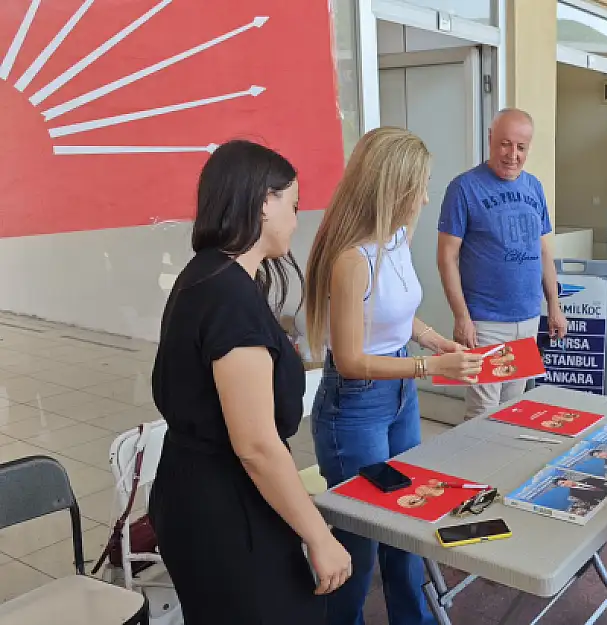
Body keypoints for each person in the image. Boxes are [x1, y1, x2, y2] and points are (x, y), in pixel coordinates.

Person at [150, 140, 351, 625]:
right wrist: (319, 537)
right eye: (293, 205)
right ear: (264, 201)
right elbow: (257, 446)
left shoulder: (204, 275)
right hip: (225, 508)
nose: (297, 220)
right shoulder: (228, 296)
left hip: (192, 492)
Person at [303, 127, 483, 625]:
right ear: (395, 189)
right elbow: (352, 359)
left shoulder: (397, 239)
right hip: (356, 407)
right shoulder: (350, 261)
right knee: (357, 546)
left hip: (399, 397)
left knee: (405, 525)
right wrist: (431, 366)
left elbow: (399, 315)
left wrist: (431, 339)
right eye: (421, 186)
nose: (427, 197)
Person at [437, 108, 568, 421]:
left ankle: (500, 468)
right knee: (483, 411)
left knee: (513, 408)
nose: (512, 155)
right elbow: (446, 257)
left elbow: (543, 251)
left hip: (526, 317)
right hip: (486, 322)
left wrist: (554, 304)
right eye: (505, 144)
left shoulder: (534, 187)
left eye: (521, 147)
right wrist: (461, 316)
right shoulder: (464, 188)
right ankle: (473, 470)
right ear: (490, 140)